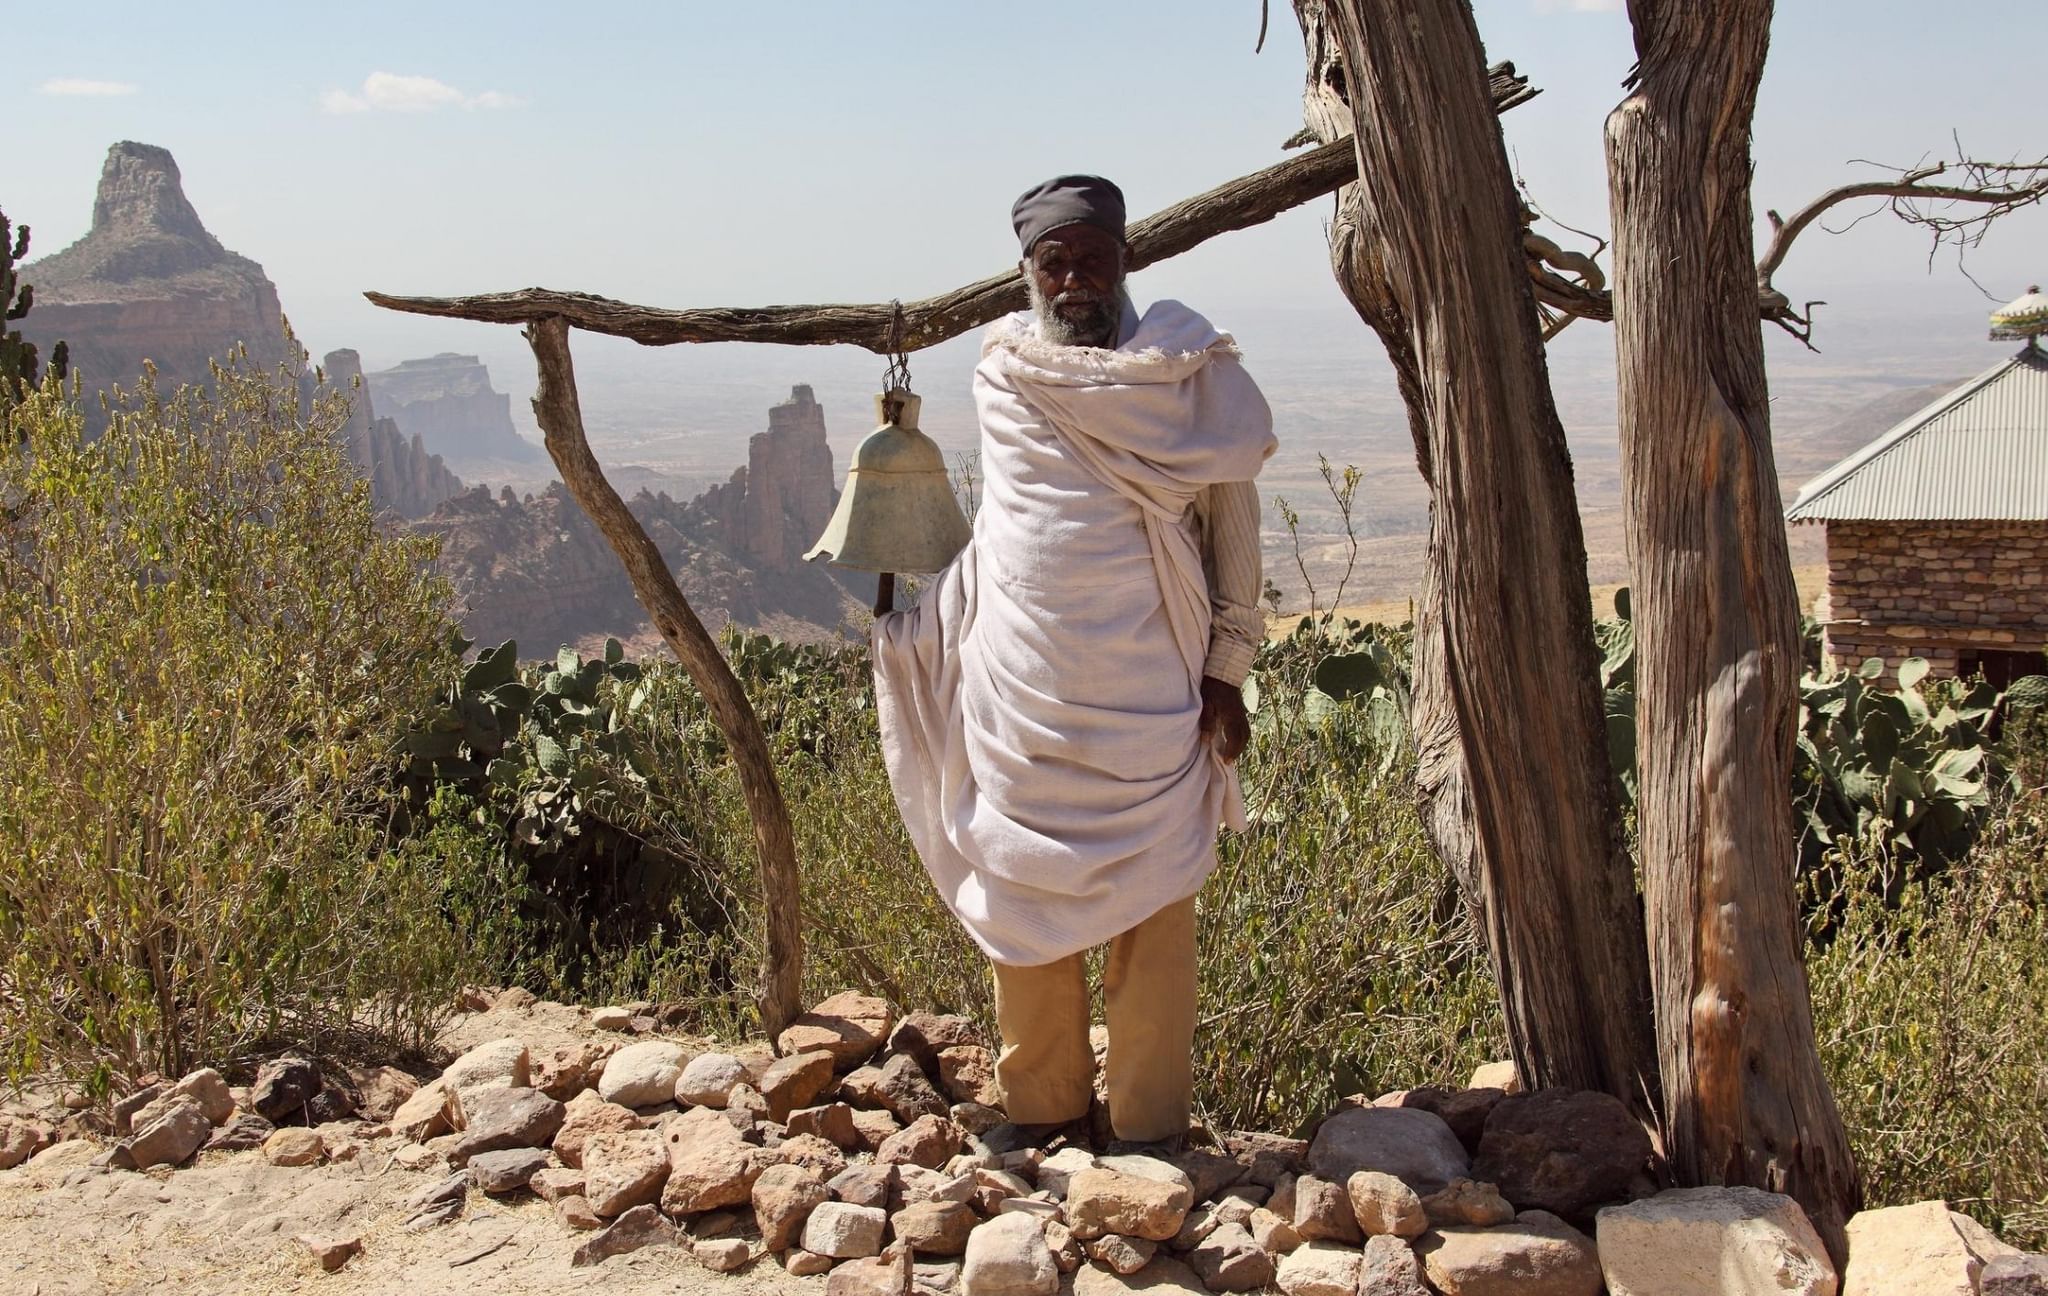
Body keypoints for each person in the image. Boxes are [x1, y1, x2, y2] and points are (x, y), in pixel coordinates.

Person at [871, 174, 1274, 1149]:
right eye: (1055, 263)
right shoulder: (1003, 369)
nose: (1074, 280)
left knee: (1156, 913)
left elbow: (1230, 518)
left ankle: (1147, 1131)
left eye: (1091, 260)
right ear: (1028, 272)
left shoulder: (1180, 367)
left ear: (1122, 261)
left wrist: (1228, 664)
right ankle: (1042, 1112)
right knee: (1021, 889)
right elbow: (1009, 530)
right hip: (1020, 692)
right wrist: (917, 632)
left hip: (1154, 691)